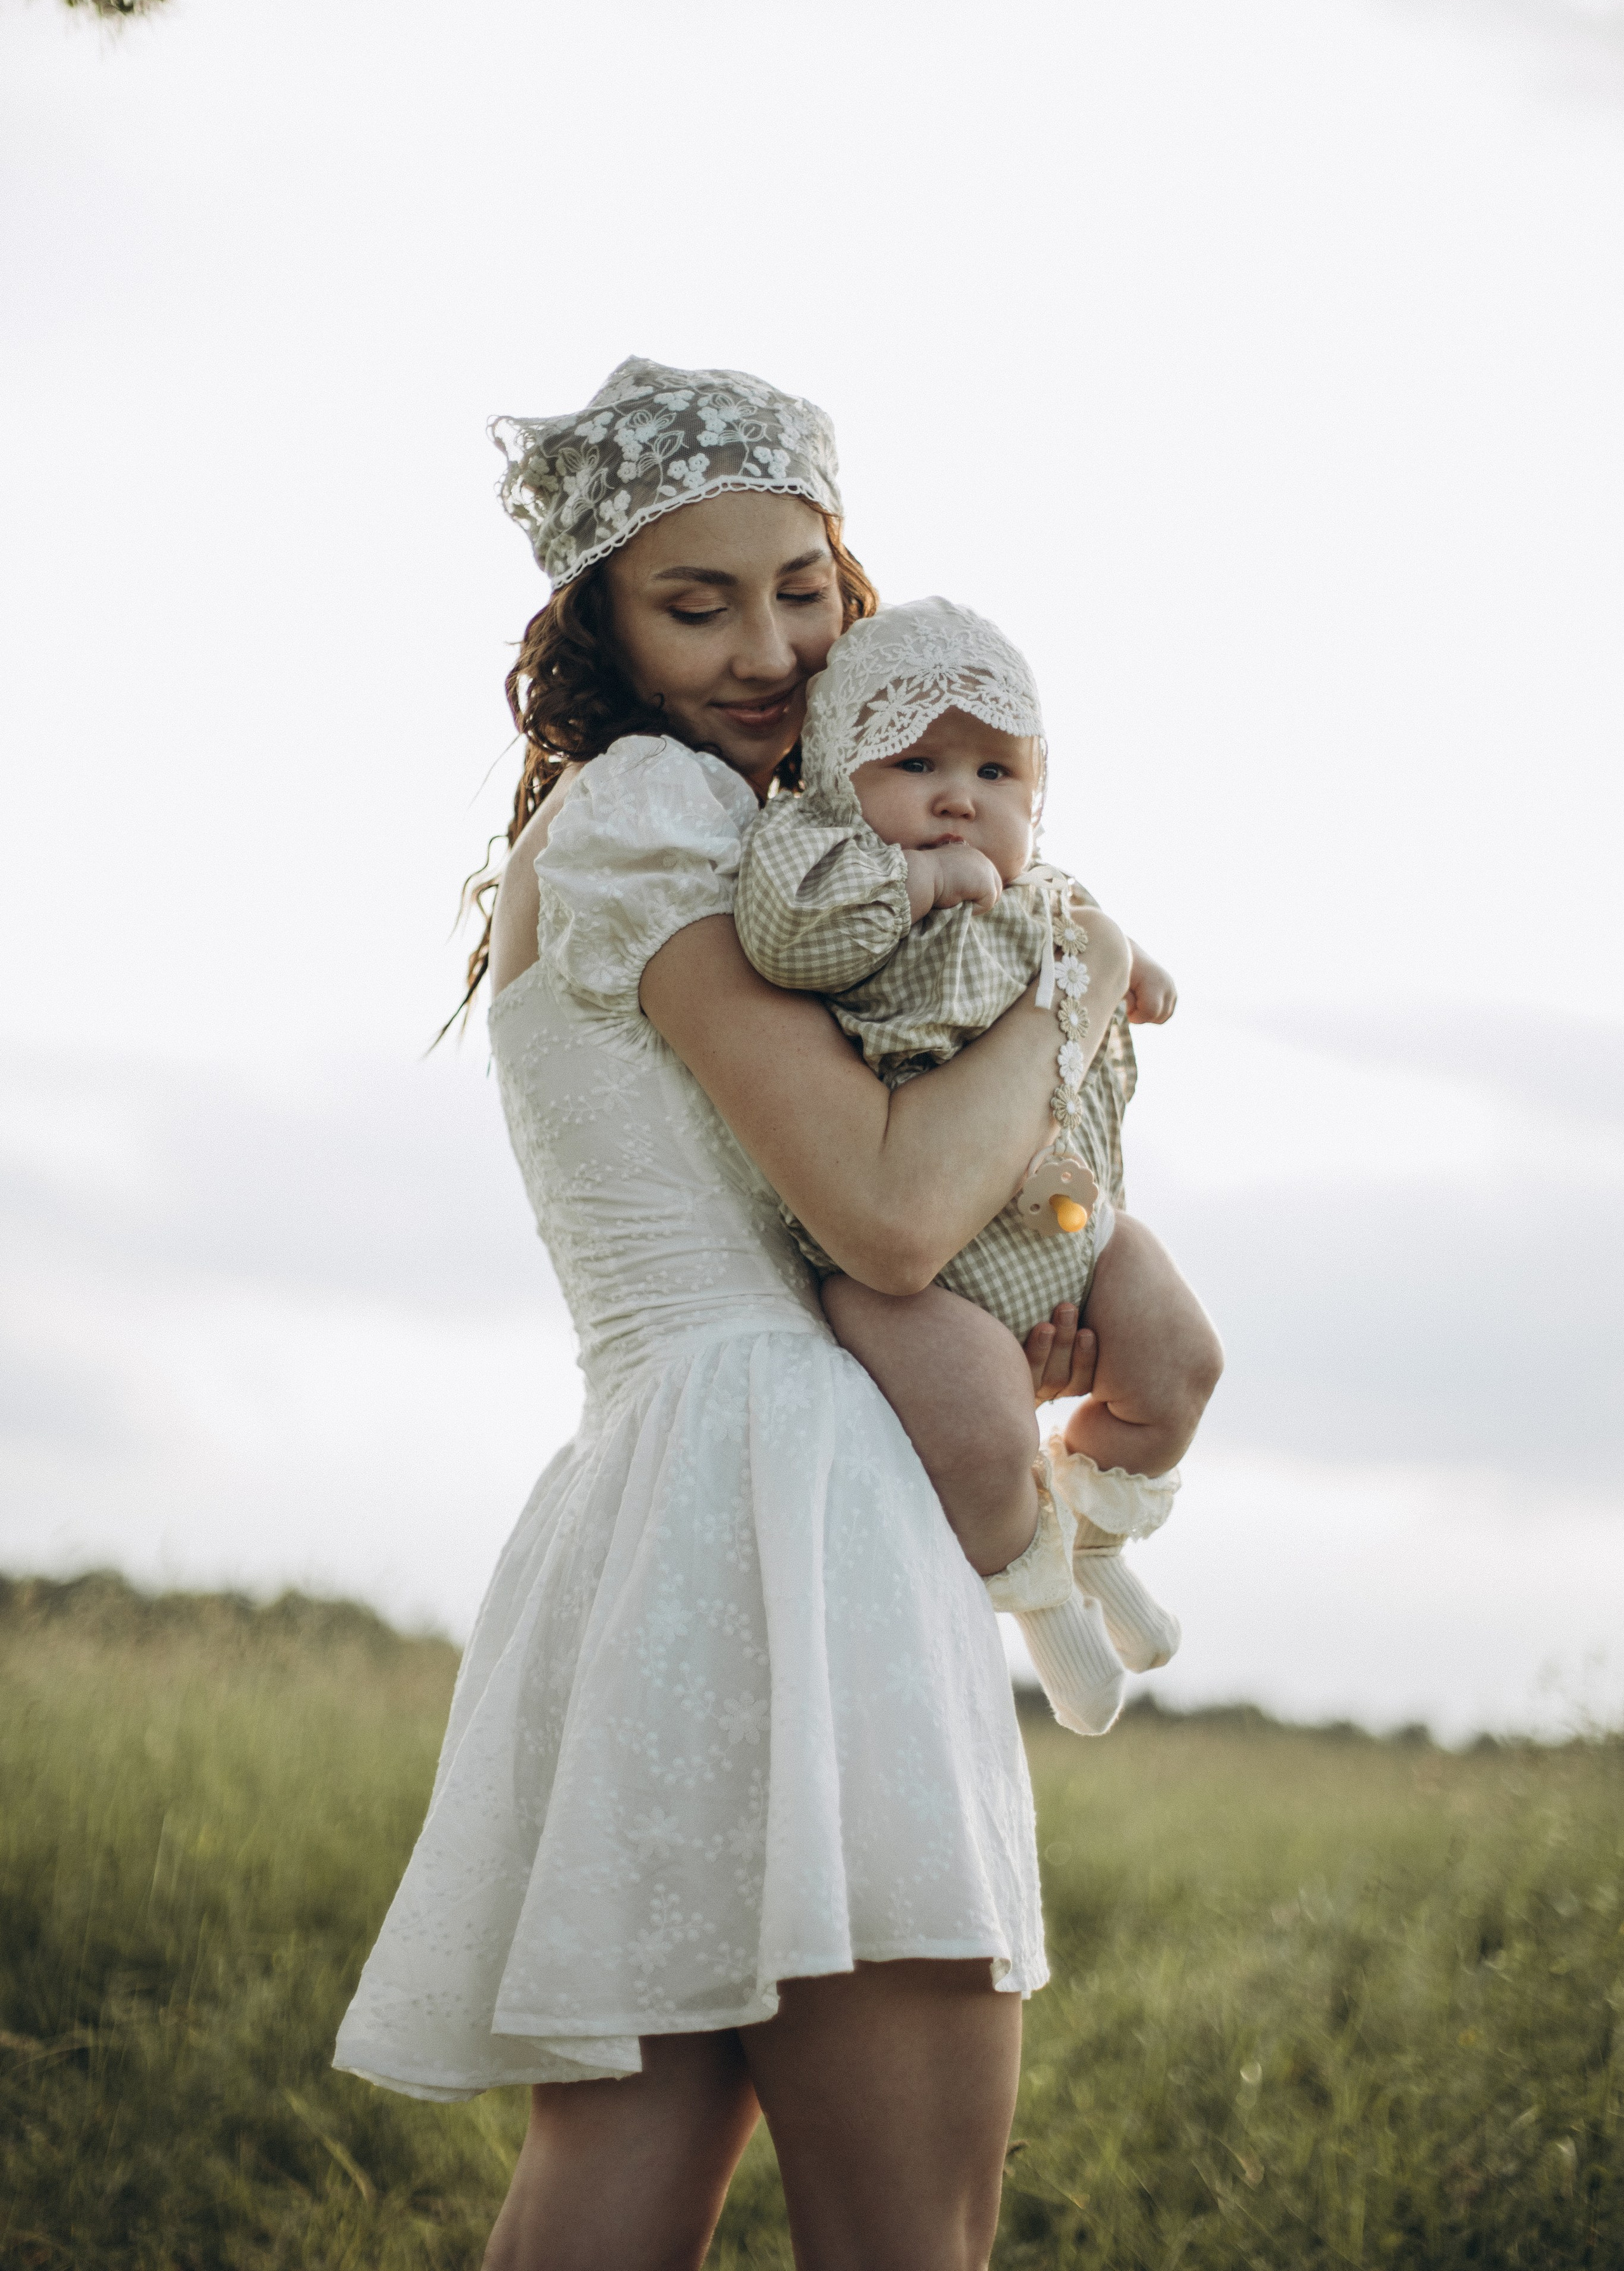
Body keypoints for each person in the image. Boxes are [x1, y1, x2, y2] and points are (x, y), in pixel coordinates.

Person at [332, 357, 1217, 2271]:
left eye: (803, 588)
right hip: (788, 1500)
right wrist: (1078, 974)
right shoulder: (652, 809)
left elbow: (890, 1217)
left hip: (673, 1507)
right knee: (913, 2236)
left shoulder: (760, 842)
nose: (769, 647)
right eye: (697, 602)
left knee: (614, 2195)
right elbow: (893, 1215)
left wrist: (1024, 1291)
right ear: (597, 624)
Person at [733, 596, 1223, 1736]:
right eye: (916, 763)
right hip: (922, 1264)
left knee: (1180, 1359)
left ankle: (1094, 1533)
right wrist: (914, 887)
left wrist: (1131, 960)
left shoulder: (1045, 893)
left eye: (998, 774)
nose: (960, 797)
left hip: (1065, 1224)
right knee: (983, 1432)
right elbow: (782, 936)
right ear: (835, 774)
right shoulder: (825, 862)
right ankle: (1045, 1607)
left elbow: (1085, 925)